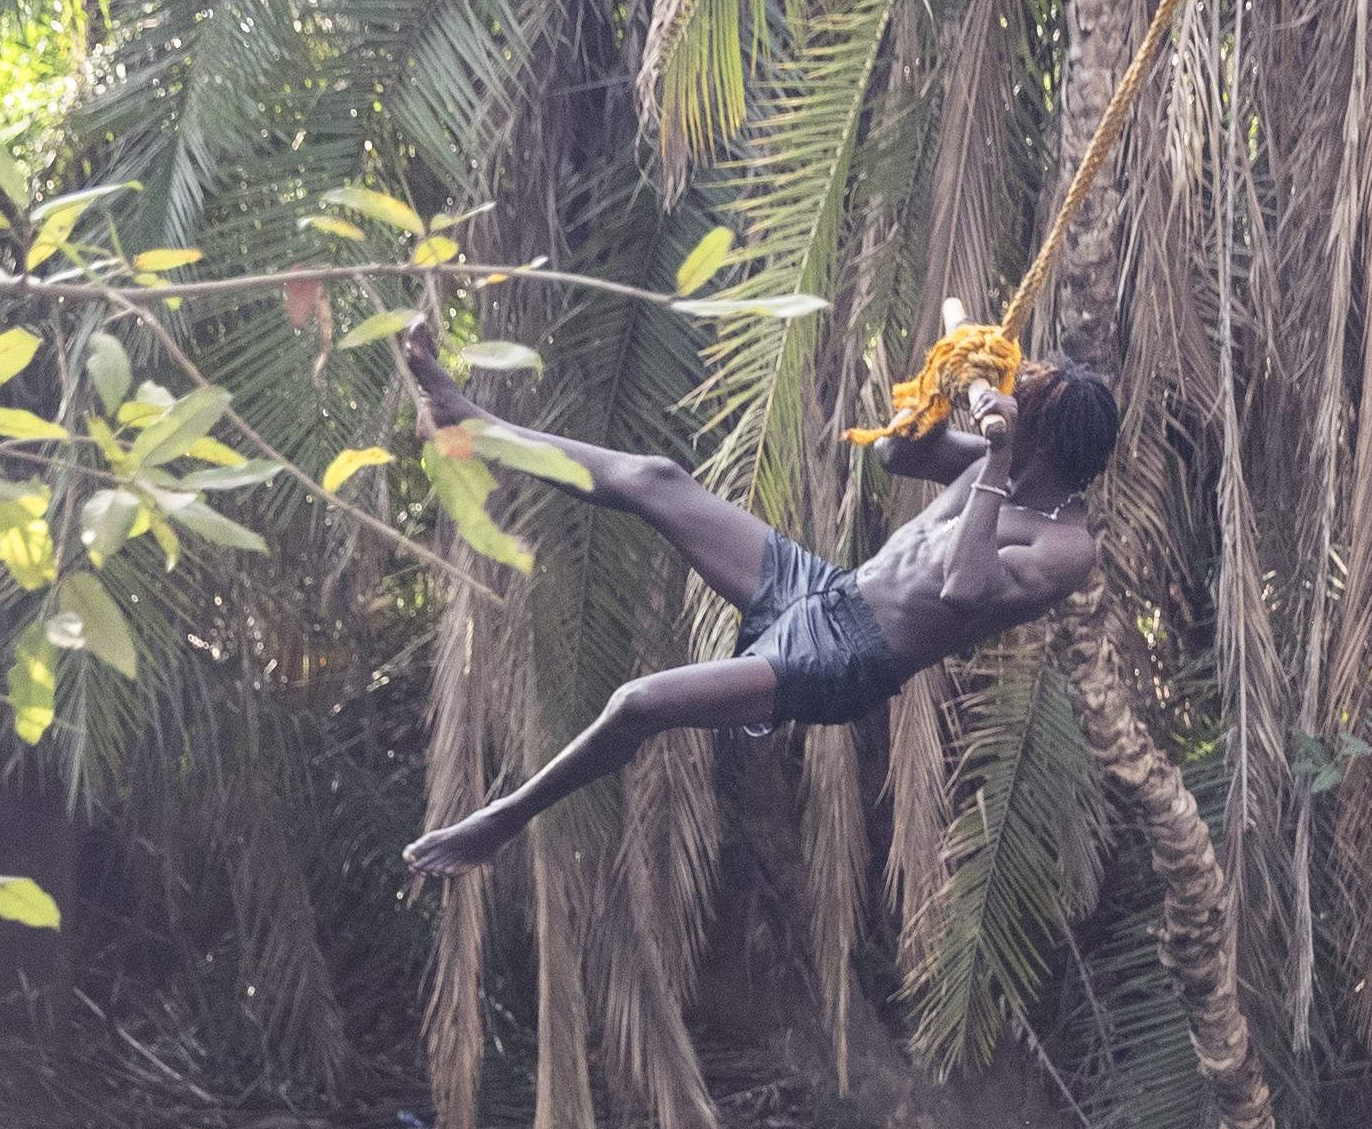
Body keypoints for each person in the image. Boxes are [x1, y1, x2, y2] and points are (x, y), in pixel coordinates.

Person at [397, 330, 1118, 882]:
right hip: (823, 590)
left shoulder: (1063, 546)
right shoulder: (1003, 466)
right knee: (656, 479)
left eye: (1027, 416)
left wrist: (992, 458)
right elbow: (897, 458)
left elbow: (966, 587)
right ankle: (470, 423)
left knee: (638, 703)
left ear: (1047, 447)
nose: (1011, 419)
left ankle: (498, 822)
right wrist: (943, 388)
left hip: (845, 658)